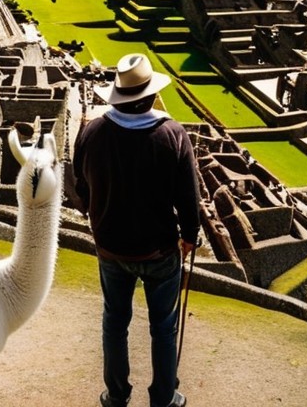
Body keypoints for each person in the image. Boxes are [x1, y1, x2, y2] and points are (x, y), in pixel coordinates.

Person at [73, 52, 201, 407]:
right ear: (149, 94)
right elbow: (189, 197)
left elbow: (80, 186)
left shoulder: (93, 131)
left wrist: (94, 211)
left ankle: (116, 395)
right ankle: (163, 397)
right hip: (159, 250)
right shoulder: (173, 135)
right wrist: (190, 235)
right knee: (163, 327)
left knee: (114, 322)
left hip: (110, 248)